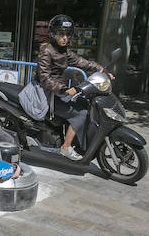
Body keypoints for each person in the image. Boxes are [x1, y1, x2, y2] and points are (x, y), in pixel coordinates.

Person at [36, 14, 110, 161]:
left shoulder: (64, 51)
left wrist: (101, 70)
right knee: (80, 113)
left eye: (67, 35)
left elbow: (81, 62)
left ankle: (76, 141)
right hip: (46, 94)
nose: (64, 38)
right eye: (61, 34)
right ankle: (66, 147)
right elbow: (44, 78)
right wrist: (63, 89)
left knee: (84, 104)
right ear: (53, 34)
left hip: (58, 91)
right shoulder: (46, 51)